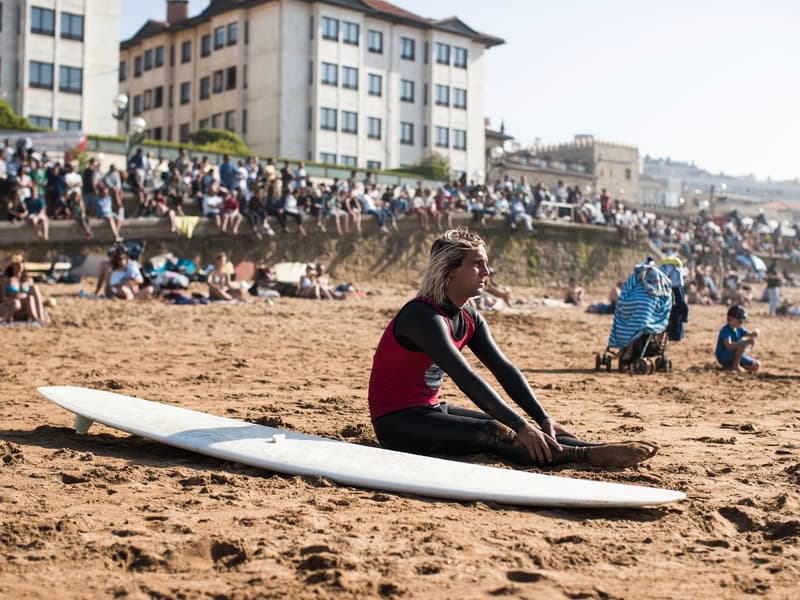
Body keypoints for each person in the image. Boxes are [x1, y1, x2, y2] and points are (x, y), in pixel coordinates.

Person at [367, 227, 660, 467]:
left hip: (432, 410)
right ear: (450, 271)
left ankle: (590, 445)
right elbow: (466, 377)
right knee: (496, 431)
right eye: (477, 264)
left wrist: (542, 417)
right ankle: (582, 456)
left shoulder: (469, 315)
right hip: (397, 423)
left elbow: (504, 369)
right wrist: (521, 426)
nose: (487, 271)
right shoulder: (423, 316)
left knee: (513, 425)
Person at [715, 304, 760, 373]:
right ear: (731, 318)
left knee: (756, 365)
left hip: (733, 356)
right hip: (723, 357)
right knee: (742, 344)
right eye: (740, 321)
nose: (741, 323)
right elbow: (728, 345)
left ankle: (731, 367)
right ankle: (735, 366)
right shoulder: (726, 330)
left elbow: (750, 334)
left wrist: (756, 332)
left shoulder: (739, 329)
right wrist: (742, 343)